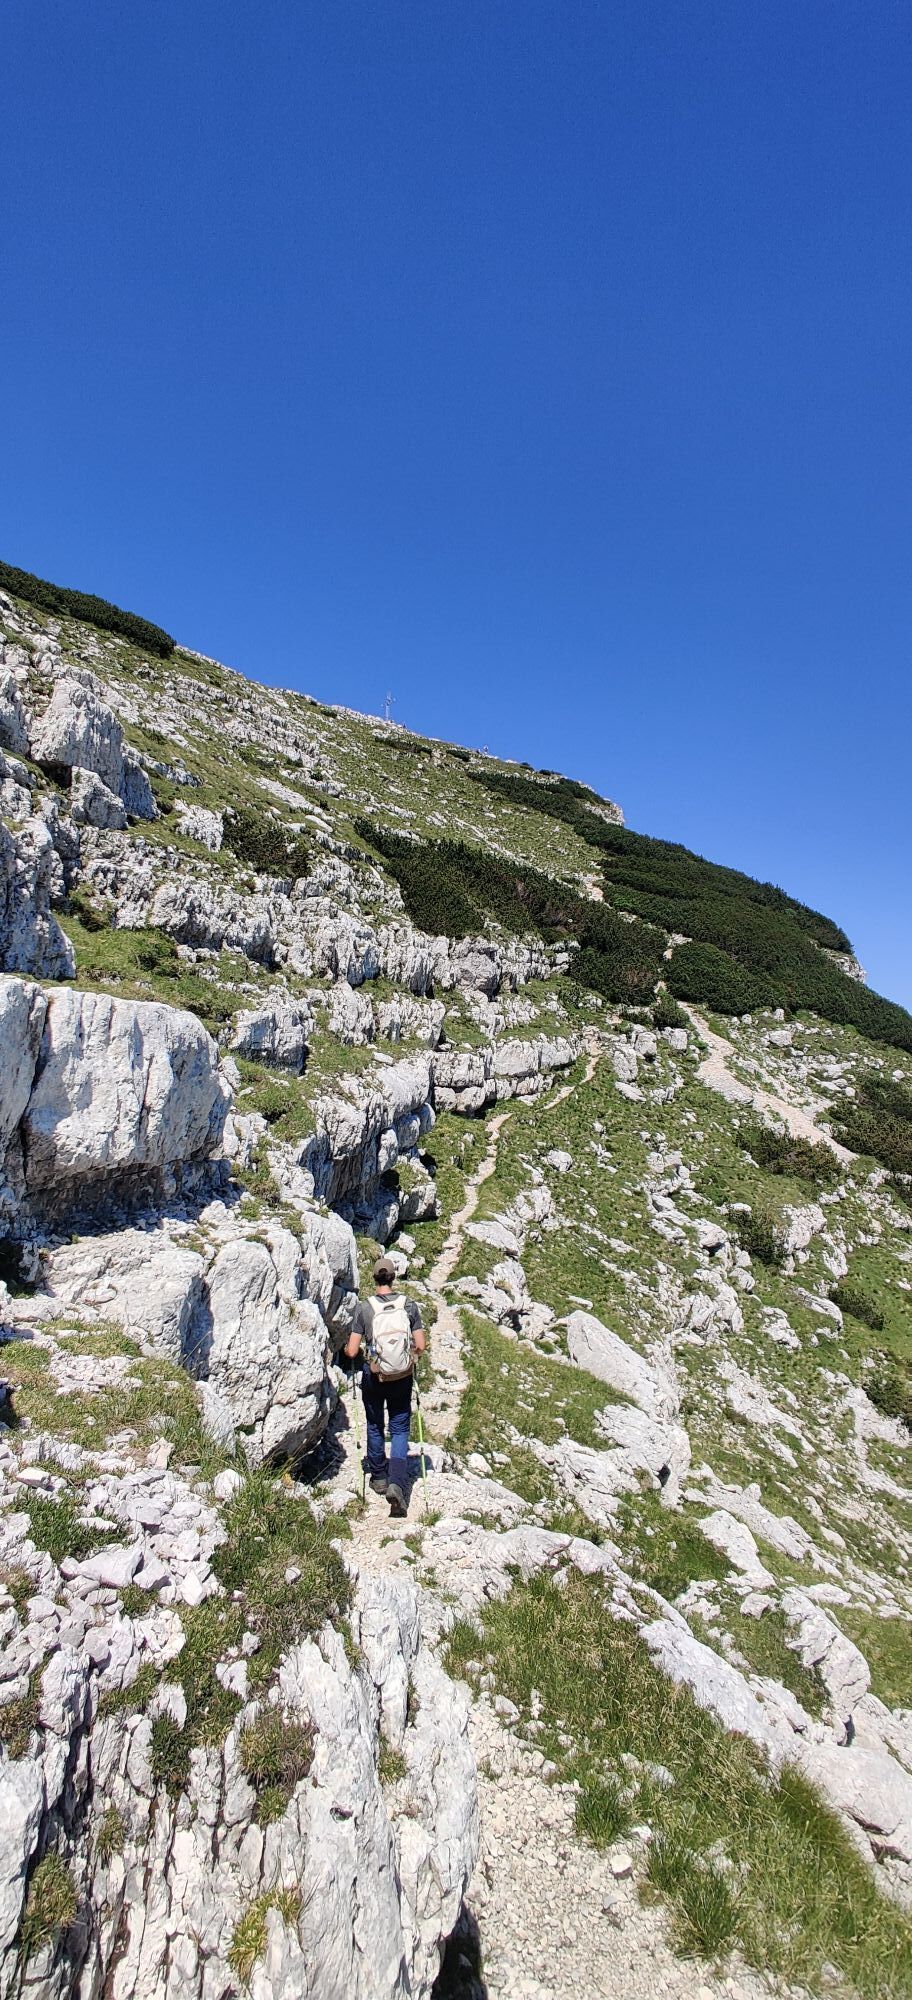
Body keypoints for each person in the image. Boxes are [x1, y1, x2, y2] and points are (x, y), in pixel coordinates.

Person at [346, 1257, 425, 1516]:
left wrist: (355, 1353)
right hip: (401, 1376)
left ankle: (379, 1476)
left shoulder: (364, 1308)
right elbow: (420, 1345)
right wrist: (409, 1357)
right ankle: (397, 1482)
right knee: (400, 1427)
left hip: (375, 1375)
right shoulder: (408, 1305)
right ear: (393, 1277)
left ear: (374, 1278)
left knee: (374, 1423)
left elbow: (352, 1351)